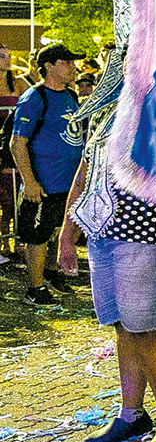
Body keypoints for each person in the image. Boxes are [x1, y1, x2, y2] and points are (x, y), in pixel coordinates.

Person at [58, 85, 156, 442]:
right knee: (123, 327)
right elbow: (84, 175)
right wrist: (67, 233)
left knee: (149, 330)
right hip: (101, 236)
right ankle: (132, 414)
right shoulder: (104, 113)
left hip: (149, 240)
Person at [10, 44, 85, 305]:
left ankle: (52, 274)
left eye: (72, 62)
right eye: (66, 63)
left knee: (58, 229)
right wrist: (29, 182)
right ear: (49, 66)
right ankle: (35, 288)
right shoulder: (34, 97)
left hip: (69, 181)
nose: (73, 67)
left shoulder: (71, 95)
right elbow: (17, 142)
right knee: (39, 235)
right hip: (44, 182)